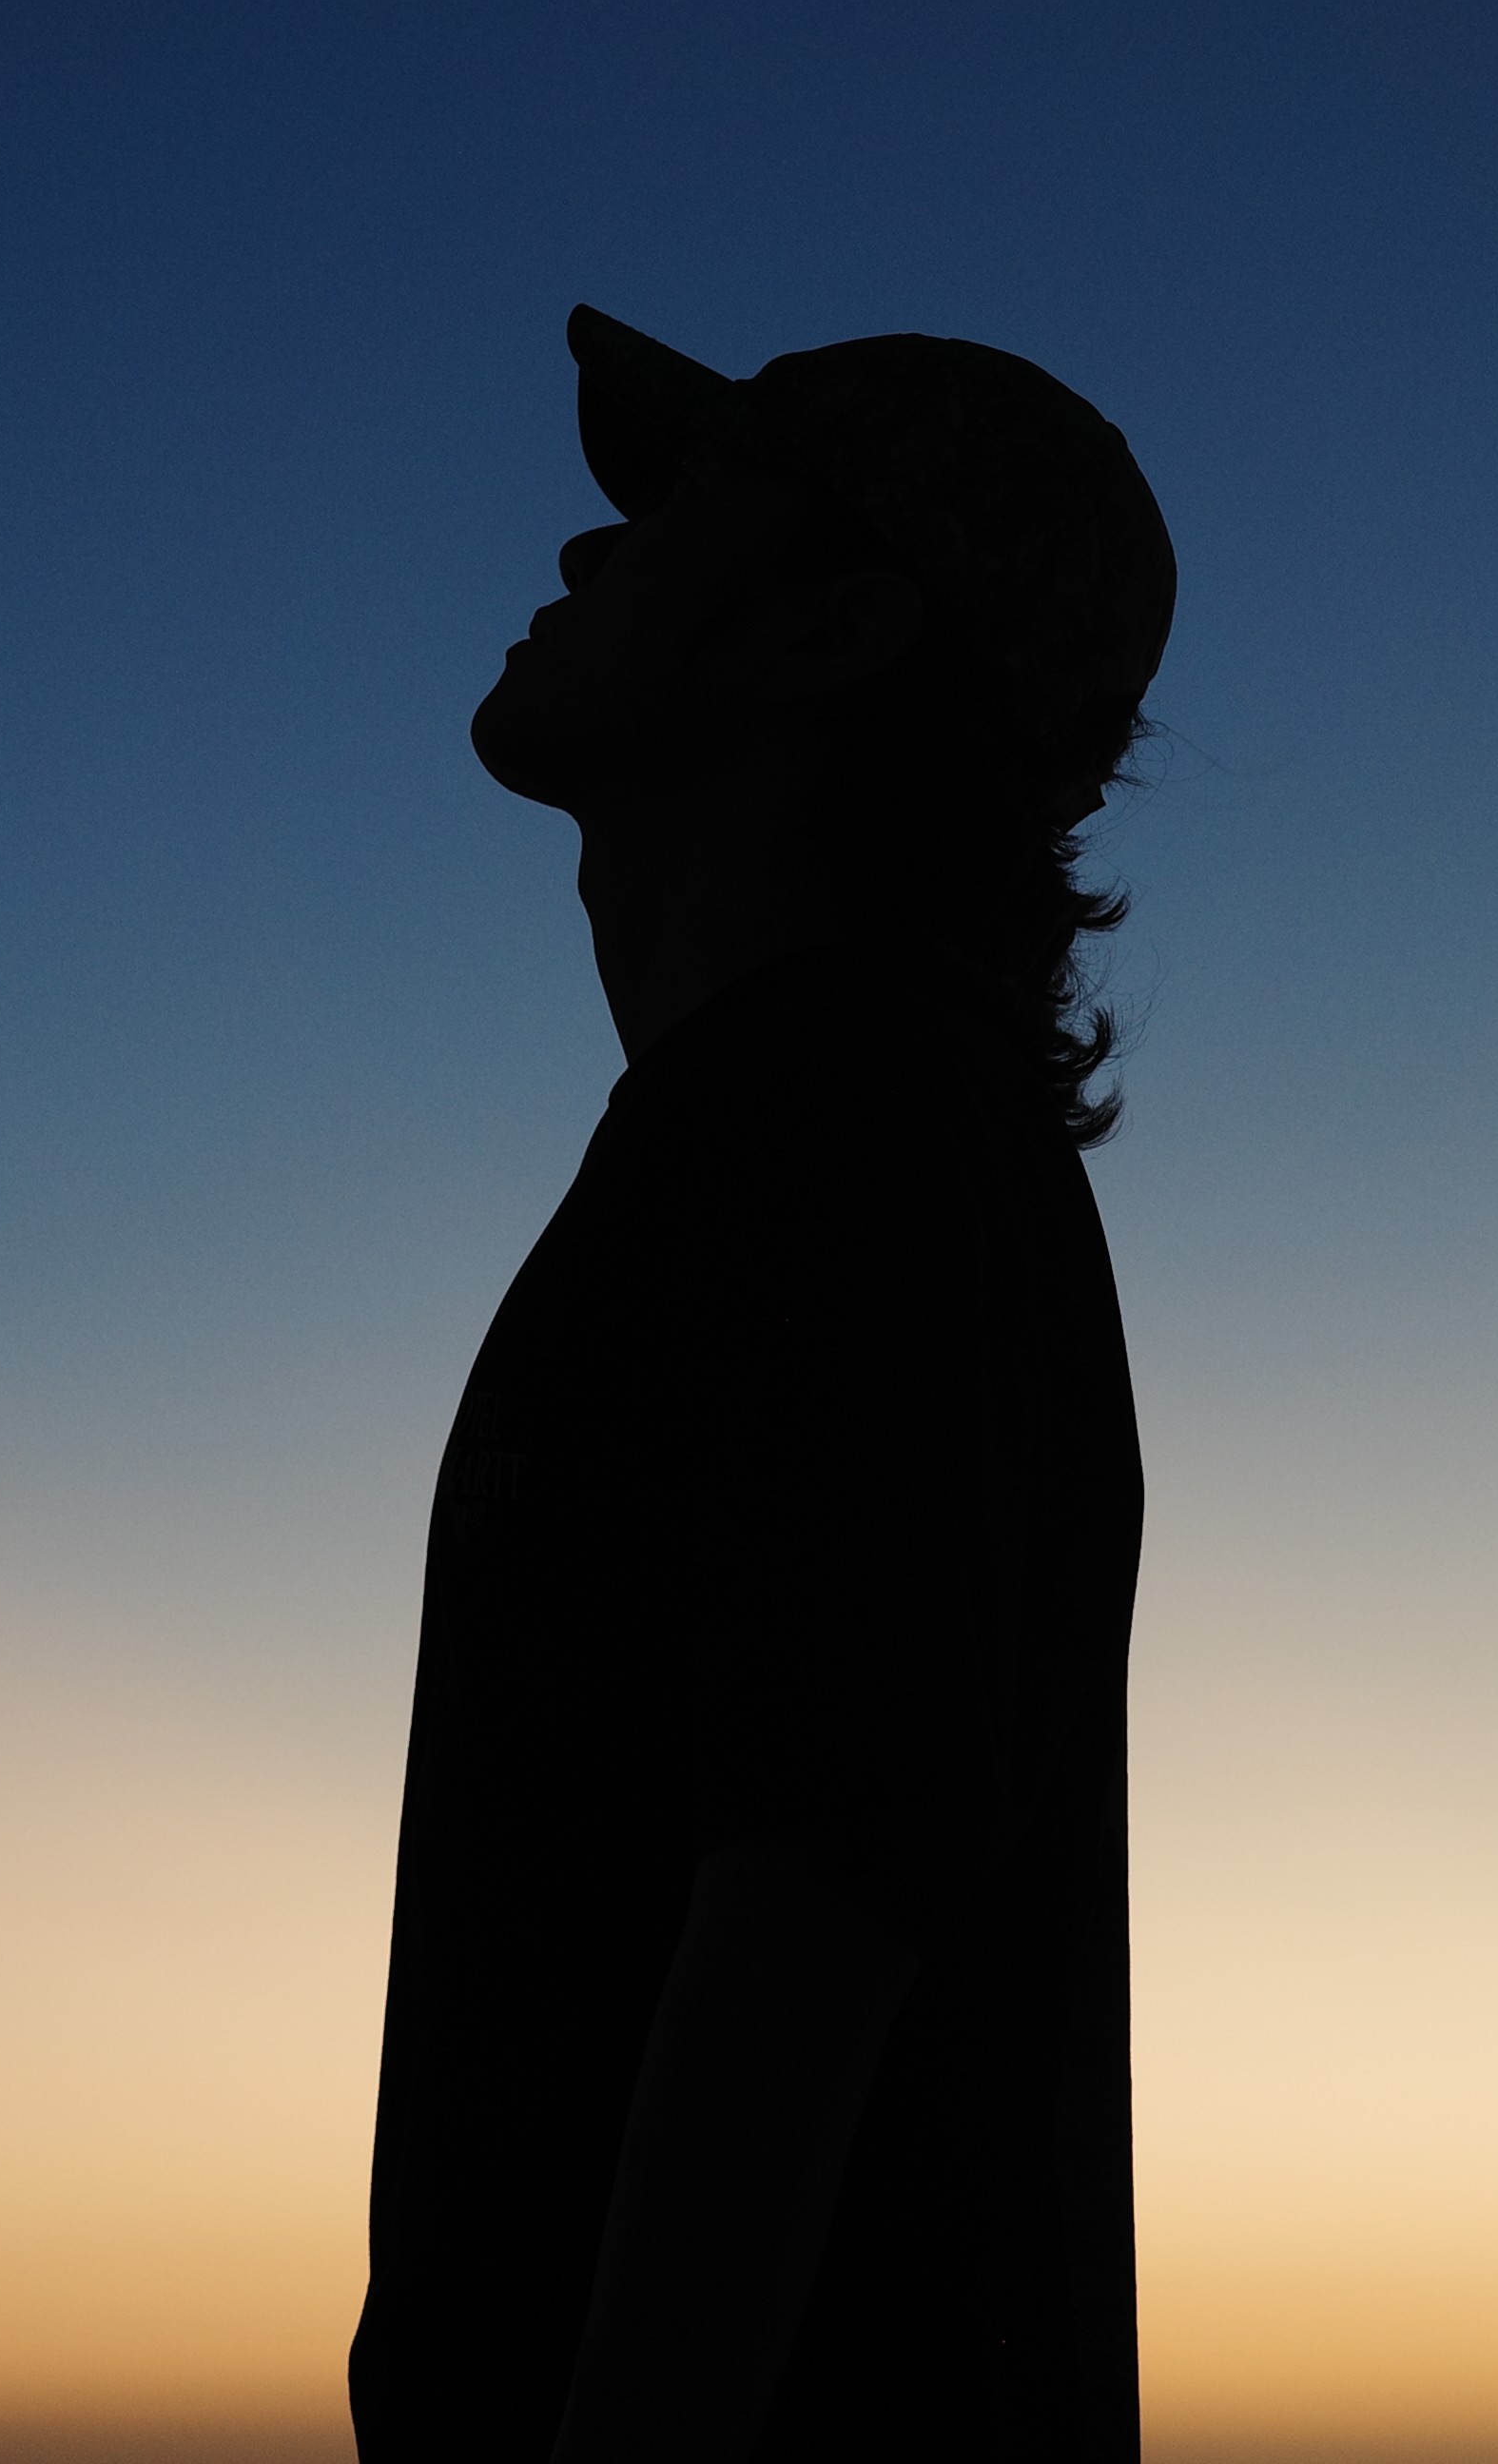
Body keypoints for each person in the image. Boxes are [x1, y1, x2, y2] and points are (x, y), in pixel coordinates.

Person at [349, 303, 1177, 2464]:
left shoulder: (846, 1128)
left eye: (678, 511)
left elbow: (816, 1902)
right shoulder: (803, 1125)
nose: (582, 550)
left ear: (833, 633)